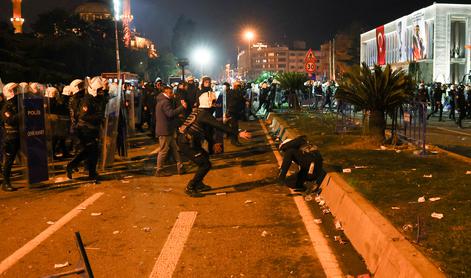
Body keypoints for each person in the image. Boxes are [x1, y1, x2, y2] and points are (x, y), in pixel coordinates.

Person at [177, 91, 251, 197]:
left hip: (189, 142)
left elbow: (208, 131)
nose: (215, 104)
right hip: (187, 143)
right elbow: (219, 126)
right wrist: (238, 133)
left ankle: (199, 183)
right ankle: (191, 186)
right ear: (207, 102)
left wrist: (212, 144)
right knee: (205, 164)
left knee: (205, 158)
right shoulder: (203, 114)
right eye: (213, 101)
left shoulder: (199, 112)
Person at [66, 77, 105, 182]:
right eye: (99, 90)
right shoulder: (87, 100)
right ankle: (90, 173)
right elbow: (84, 116)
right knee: (92, 151)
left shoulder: (95, 99)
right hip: (86, 129)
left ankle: (75, 167)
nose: (101, 92)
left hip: (92, 129)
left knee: (91, 151)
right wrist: (99, 117)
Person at [155, 85, 187, 176]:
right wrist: (182, 107)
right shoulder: (165, 102)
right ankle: (159, 170)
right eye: (170, 92)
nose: (172, 94)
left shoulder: (162, 101)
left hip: (167, 129)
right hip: (165, 130)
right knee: (164, 150)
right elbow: (170, 114)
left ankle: (180, 166)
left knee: (175, 148)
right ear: (165, 92)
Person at [1, 83, 20, 191]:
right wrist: (22, 114)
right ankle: (5, 182)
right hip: (10, 137)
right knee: (9, 160)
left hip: (20, 136)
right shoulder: (6, 107)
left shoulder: (18, 104)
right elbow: (10, 120)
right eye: (14, 90)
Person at [227, 81, 246, 146]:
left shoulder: (233, 92)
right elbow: (239, 97)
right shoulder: (233, 92)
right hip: (232, 111)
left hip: (235, 111)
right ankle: (234, 141)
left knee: (235, 126)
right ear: (235, 86)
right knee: (234, 126)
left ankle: (234, 140)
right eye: (238, 86)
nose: (239, 87)